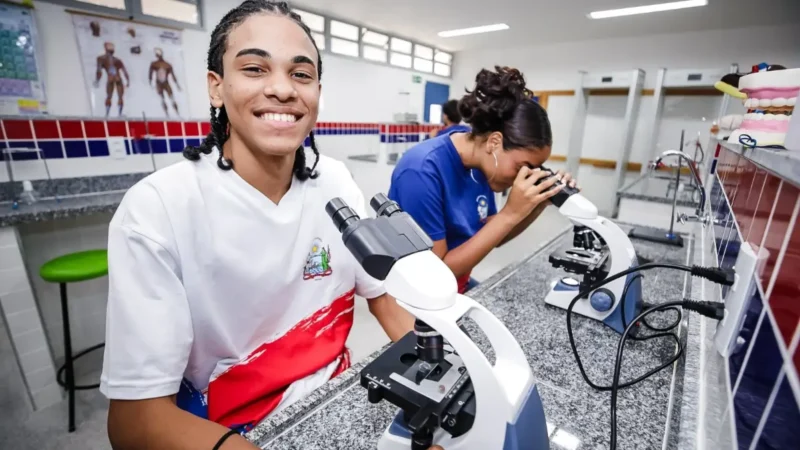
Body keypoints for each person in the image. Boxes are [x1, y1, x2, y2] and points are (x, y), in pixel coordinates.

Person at [101, 2, 422, 449]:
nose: (282, 89)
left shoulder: (335, 182)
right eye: (254, 68)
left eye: (301, 74)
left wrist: (442, 375)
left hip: (336, 401)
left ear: (317, 92)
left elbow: (384, 300)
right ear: (217, 87)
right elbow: (135, 422)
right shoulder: (158, 208)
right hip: (231, 429)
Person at [389, 66, 579, 294]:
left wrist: (539, 203)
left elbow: (494, 236)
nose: (523, 176)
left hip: (456, 284)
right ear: (494, 142)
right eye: (522, 167)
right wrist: (509, 214)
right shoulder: (421, 171)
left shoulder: (482, 164)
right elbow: (435, 273)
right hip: (419, 296)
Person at [94, 42, 129, 117]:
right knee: (118, 97)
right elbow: (124, 71)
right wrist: (127, 80)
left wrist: (97, 80)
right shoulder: (116, 60)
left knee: (110, 96)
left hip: (111, 78)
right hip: (117, 78)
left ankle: (108, 113)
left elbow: (99, 71)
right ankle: (117, 113)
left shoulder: (101, 59)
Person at [149, 47, 182, 117]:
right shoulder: (155, 64)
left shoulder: (167, 65)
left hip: (165, 83)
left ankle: (177, 113)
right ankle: (167, 114)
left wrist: (177, 84)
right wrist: (150, 81)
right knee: (162, 99)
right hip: (159, 83)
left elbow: (173, 75)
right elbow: (150, 74)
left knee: (171, 98)